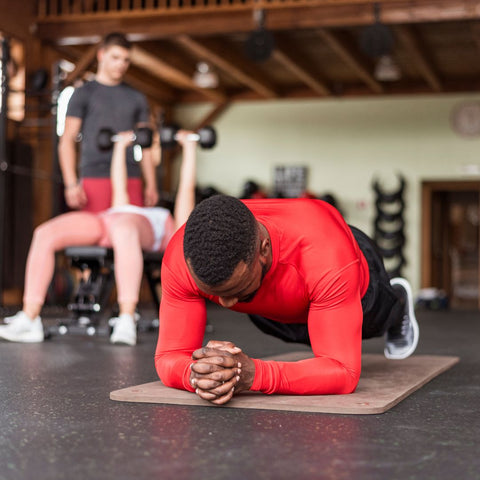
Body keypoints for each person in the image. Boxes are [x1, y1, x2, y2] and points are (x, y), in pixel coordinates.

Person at [155, 194, 420, 405]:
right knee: (298, 337)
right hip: (280, 307)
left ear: (263, 250)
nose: (227, 305)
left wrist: (251, 374)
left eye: (236, 290)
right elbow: (168, 356)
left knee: (374, 322)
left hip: (355, 280)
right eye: (216, 294)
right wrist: (197, 374)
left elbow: (343, 373)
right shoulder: (183, 257)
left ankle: (398, 302)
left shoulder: (327, 255)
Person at [0, 130, 198, 345]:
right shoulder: (125, 206)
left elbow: (186, 188)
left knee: (124, 229)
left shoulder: (173, 224)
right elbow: (118, 184)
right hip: (108, 221)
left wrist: (189, 147)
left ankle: (126, 318)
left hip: (131, 230)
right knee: (44, 233)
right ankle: (30, 319)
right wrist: (120, 146)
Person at [58, 32, 159, 212]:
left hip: (130, 177)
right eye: (115, 57)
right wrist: (71, 183)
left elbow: (146, 144)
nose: (121, 64)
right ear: (101, 55)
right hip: (94, 177)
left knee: (130, 234)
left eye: (126, 60)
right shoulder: (83, 94)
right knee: (96, 236)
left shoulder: (137, 98)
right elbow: (67, 140)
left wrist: (151, 183)